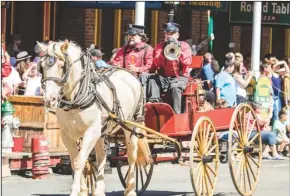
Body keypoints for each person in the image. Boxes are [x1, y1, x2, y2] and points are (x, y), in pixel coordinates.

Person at [147, 22, 192, 114]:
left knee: (175, 87)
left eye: (172, 34)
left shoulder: (184, 46)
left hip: (180, 77)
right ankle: (154, 104)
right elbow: (156, 63)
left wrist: (178, 51)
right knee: (151, 78)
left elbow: (188, 62)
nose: (169, 36)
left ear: (177, 35)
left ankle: (176, 114)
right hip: (165, 77)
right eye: (167, 34)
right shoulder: (160, 46)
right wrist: (163, 53)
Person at [112, 24, 154, 98]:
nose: (130, 37)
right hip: (125, 79)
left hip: (141, 80)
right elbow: (118, 60)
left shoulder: (148, 49)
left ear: (141, 36)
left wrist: (137, 69)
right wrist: (117, 65)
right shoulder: (124, 49)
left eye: (133, 35)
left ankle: (142, 99)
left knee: (143, 76)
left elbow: (151, 66)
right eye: (129, 35)